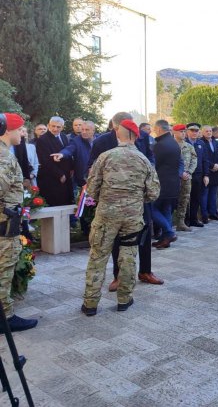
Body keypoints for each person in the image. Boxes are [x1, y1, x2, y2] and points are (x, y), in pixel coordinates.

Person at [81, 119, 160, 316]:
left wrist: (106, 199)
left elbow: (91, 189)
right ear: (136, 136)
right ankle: (124, 299)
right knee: (128, 256)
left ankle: (90, 304)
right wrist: (134, 198)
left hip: (107, 214)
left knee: (98, 256)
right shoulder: (143, 160)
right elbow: (153, 192)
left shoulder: (106, 157)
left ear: (118, 134)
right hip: (132, 216)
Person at [0, 113, 38, 332]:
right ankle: (5, 318)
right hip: (4, 227)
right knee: (4, 271)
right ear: (7, 130)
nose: (23, 134)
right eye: (20, 129)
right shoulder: (4, 156)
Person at [151, 120, 182, 249]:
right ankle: (165, 240)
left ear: (158, 129)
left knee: (150, 209)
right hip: (173, 183)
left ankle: (169, 233)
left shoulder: (159, 145)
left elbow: (154, 165)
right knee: (166, 210)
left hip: (161, 184)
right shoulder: (174, 143)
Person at [36, 116, 74, 207]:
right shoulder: (43, 139)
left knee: (67, 203)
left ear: (62, 127)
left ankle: (68, 221)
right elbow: (45, 160)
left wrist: (72, 168)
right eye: (53, 126)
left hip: (66, 174)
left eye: (58, 127)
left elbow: (68, 153)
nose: (55, 129)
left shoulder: (64, 136)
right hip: (52, 176)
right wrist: (59, 174)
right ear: (48, 125)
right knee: (56, 203)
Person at [172, 124, 197, 231]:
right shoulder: (171, 145)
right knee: (172, 200)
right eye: (181, 131)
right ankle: (168, 224)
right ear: (174, 132)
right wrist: (179, 173)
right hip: (173, 178)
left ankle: (181, 223)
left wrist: (189, 172)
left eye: (184, 131)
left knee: (184, 199)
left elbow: (194, 160)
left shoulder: (189, 146)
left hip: (186, 178)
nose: (183, 133)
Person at [185, 123, 208, 228]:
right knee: (185, 198)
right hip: (185, 175)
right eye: (192, 130)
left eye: (196, 130)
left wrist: (206, 175)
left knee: (196, 197)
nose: (194, 132)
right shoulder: (183, 143)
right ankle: (185, 220)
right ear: (187, 131)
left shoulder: (201, 143)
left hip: (198, 174)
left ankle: (193, 219)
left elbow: (205, 160)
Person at [200, 125, 218, 222]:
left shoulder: (215, 142)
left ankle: (213, 213)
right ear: (202, 132)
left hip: (216, 172)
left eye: (210, 131)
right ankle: (204, 215)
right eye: (206, 131)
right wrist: (212, 166)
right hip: (206, 172)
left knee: (213, 194)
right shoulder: (200, 142)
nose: (209, 132)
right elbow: (202, 158)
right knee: (204, 194)